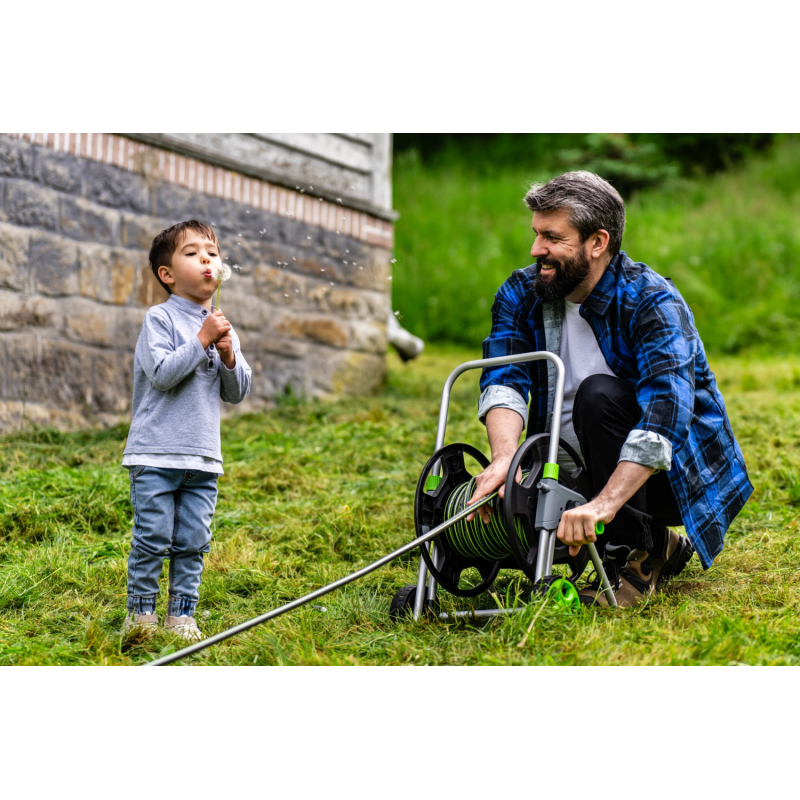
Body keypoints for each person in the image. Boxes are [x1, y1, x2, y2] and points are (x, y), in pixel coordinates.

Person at [469, 171, 753, 607]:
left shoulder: (652, 301)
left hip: (672, 478)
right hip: (572, 466)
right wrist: (506, 458)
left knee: (597, 395)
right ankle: (656, 542)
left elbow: (665, 415)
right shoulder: (521, 293)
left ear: (597, 243)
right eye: (535, 234)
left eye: (551, 237)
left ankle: (634, 552)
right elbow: (504, 379)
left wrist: (604, 506)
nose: (536, 250)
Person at [121, 220, 251, 639]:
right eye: (193, 254)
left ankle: (182, 615)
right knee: (153, 537)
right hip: (155, 454)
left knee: (194, 540)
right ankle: (141, 614)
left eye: (212, 253)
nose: (207, 261)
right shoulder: (159, 319)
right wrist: (201, 340)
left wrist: (228, 355)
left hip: (202, 457)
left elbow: (237, 392)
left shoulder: (219, 322)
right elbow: (161, 374)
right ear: (168, 274)